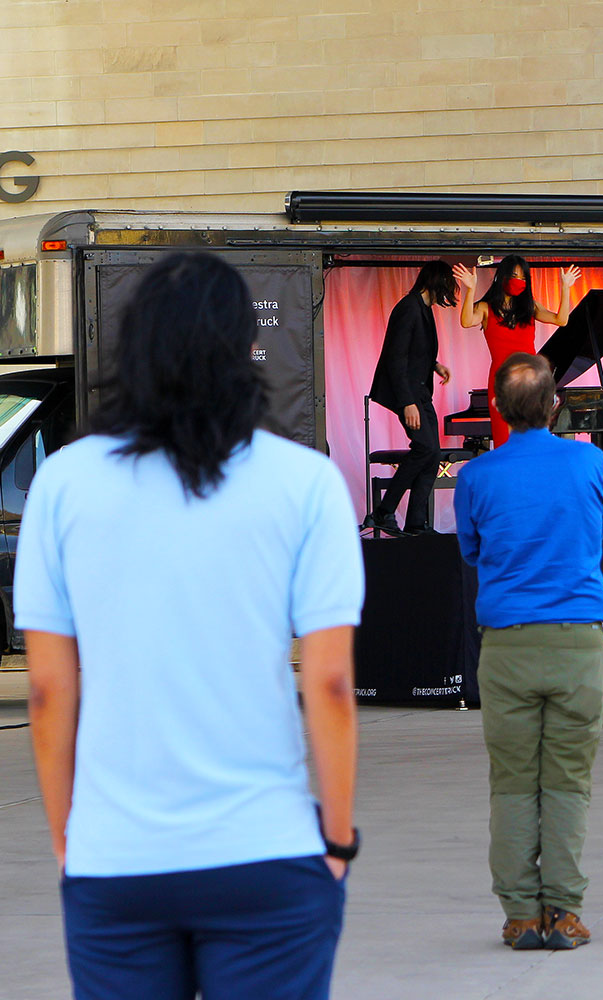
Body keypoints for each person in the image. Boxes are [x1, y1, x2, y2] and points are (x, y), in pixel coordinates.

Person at [16, 253, 363, 1000]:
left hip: (118, 861)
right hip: (265, 855)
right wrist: (335, 840)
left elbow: (48, 693)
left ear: (132, 348)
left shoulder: (64, 485)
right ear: (247, 350)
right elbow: (330, 684)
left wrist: (70, 840)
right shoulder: (305, 484)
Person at [454, 352, 603, 951]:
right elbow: (592, 534)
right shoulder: (588, 460)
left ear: (496, 407)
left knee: (514, 783)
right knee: (567, 782)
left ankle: (520, 914)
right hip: (577, 643)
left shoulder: (476, 477)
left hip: (507, 648)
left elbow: (471, 551)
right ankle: (564, 913)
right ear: (555, 404)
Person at [363, 260, 456, 536]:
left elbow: (415, 350)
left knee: (433, 453)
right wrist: (407, 403)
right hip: (409, 393)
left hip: (419, 391)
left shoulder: (423, 309)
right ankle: (382, 511)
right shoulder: (408, 308)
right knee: (425, 449)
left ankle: (416, 523)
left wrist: (434, 364)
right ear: (434, 282)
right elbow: (395, 358)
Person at [453, 256, 581, 447]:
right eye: (514, 276)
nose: (518, 282)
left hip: (531, 380)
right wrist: (470, 289)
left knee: (533, 435)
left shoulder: (530, 307)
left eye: (523, 278)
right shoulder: (485, 307)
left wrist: (565, 287)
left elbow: (561, 320)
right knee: (504, 435)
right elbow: (466, 321)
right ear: (502, 276)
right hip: (502, 380)